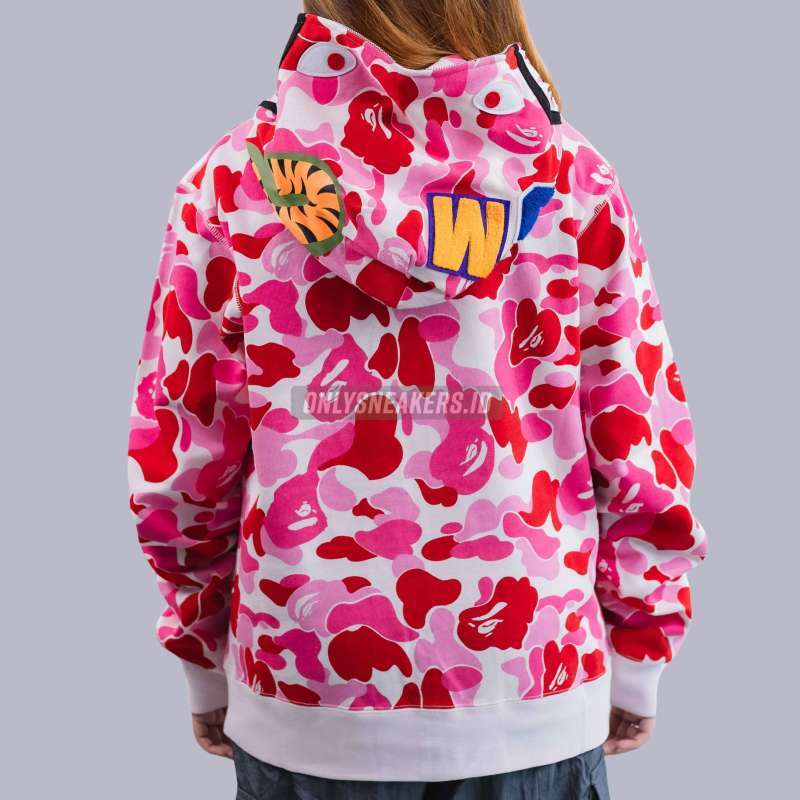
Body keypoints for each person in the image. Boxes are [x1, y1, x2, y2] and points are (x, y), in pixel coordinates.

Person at [127, 1, 707, 797]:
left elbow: (183, 454)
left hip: (304, 685)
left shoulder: (230, 184)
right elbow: (638, 434)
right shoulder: (572, 181)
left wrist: (202, 654)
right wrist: (641, 645)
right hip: (532, 675)